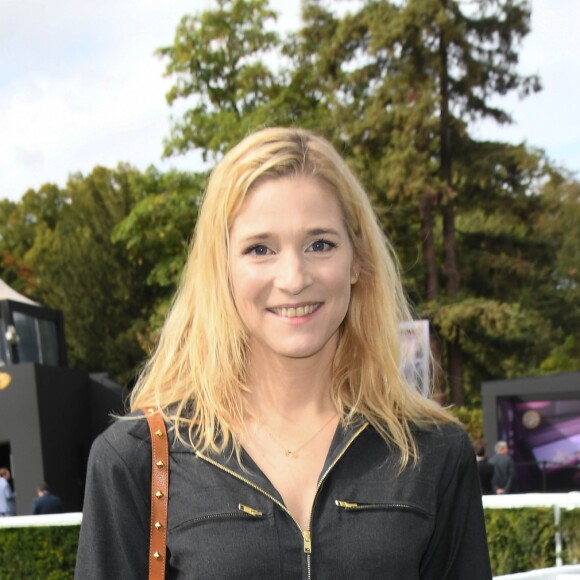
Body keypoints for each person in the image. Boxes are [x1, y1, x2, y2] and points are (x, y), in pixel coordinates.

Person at [75, 127, 492, 579]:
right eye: (260, 248)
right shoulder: (138, 458)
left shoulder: (433, 452)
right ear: (223, 269)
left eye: (320, 244)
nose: (294, 277)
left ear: (357, 260)